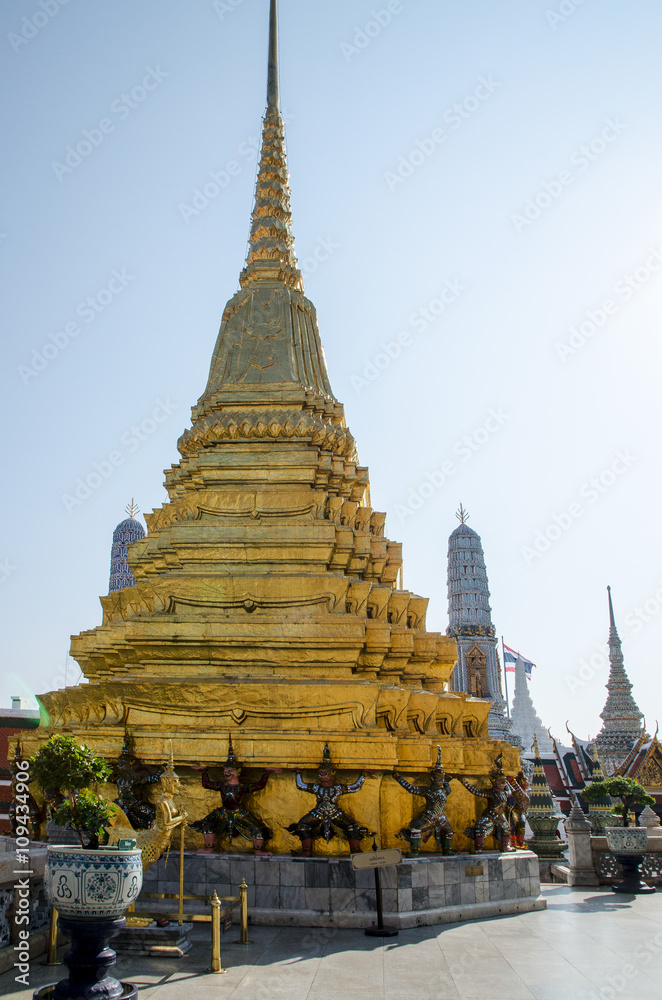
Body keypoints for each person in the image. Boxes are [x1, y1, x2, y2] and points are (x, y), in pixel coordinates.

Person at [190, 736, 280, 855]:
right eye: (225, 771)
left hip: (239, 813)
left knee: (258, 828)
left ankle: (258, 851)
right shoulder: (222, 786)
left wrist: (267, 772)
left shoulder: (241, 787)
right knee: (206, 825)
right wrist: (204, 771)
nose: (226, 773)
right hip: (223, 813)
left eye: (230, 771)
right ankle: (209, 849)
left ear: (237, 772)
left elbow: (259, 785)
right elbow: (206, 784)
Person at [287, 743, 373, 856]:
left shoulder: (337, 789)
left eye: (325, 774)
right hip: (318, 812)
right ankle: (306, 851)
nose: (322, 776)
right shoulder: (317, 788)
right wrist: (298, 772)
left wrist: (363, 774)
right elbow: (301, 785)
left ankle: (356, 852)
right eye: (320, 774)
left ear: (332, 774)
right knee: (302, 825)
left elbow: (355, 787)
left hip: (335, 813)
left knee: (352, 826)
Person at [394, 745, 456, 856]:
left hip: (440, 817)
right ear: (432, 779)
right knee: (415, 827)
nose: (441, 781)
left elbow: (447, 784)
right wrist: (399, 778)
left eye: (442, 779)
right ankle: (415, 850)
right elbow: (411, 788)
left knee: (449, 831)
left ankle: (447, 849)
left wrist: (451, 777)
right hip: (429, 816)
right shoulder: (428, 790)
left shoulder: (445, 791)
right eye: (438, 778)